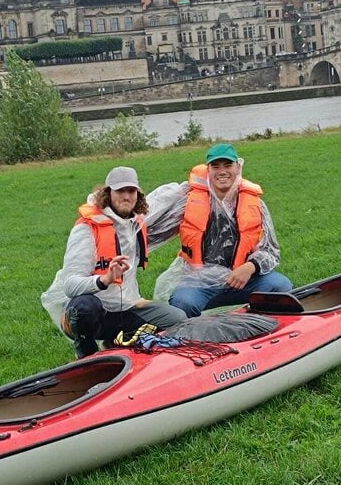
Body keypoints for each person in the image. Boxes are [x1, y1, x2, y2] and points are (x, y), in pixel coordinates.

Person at [42, 166, 187, 358]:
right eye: (120, 191)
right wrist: (104, 279)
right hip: (90, 313)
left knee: (178, 319)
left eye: (131, 191)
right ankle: (86, 354)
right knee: (84, 307)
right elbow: (70, 285)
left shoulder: (135, 224)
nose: (126, 196)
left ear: (138, 194)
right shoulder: (86, 229)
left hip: (126, 307)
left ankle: (119, 342)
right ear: (108, 193)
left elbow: (165, 200)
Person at [146, 143, 294, 317]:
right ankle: (194, 339)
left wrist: (250, 267)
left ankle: (265, 330)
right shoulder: (189, 202)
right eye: (216, 166)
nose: (222, 171)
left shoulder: (256, 205)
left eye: (228, 165)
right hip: (199, 282)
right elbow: (152, 232)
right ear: (208, 170)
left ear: (238, 167)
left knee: (281, 287)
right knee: (183, 304)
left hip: (245, 280)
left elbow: (271, 250)